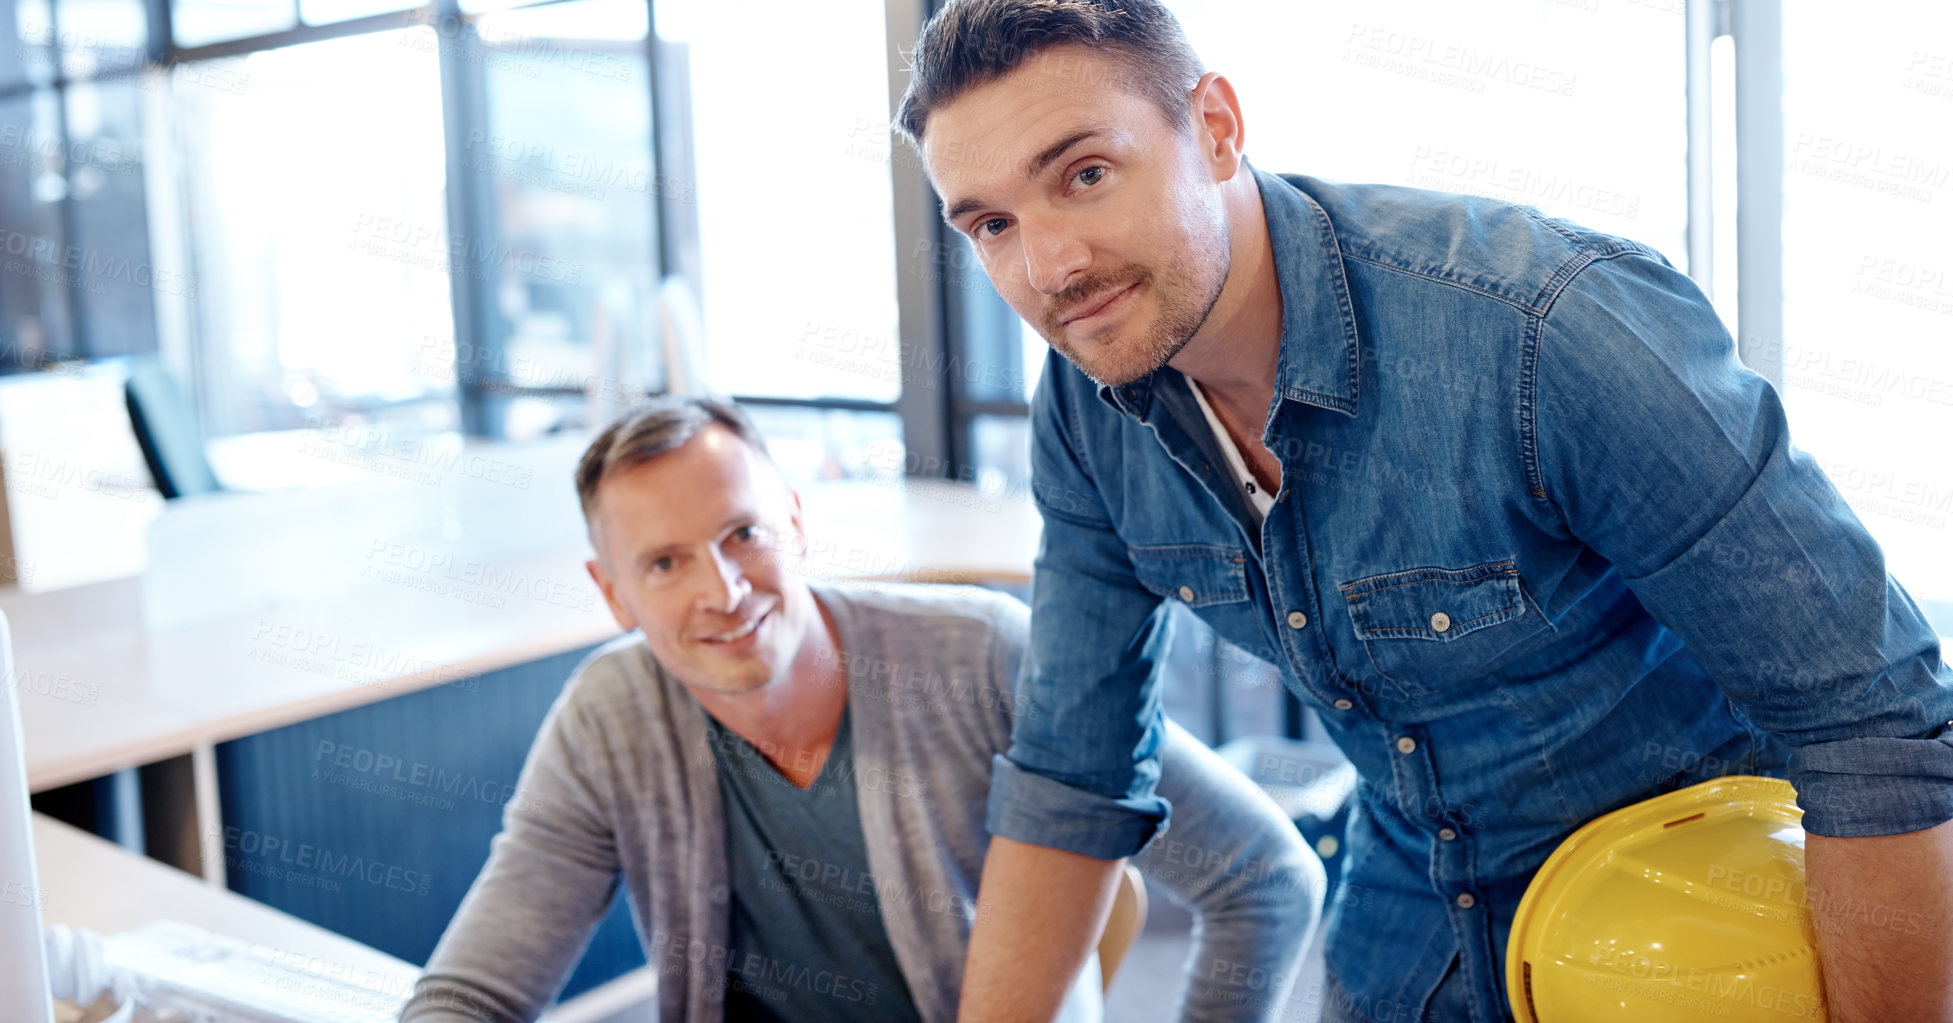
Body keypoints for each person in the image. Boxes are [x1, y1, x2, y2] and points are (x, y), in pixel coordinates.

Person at [893, 2, 1953, 1021]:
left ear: (1215, 128)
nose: (1050, 269)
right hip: (1407, 925)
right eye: (991, 224)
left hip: (1696, 928)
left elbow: (1877, 722)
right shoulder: (1088, 411)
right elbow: (1070, 777)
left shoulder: (1548, 331)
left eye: (1084, 174)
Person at [398, 396, 1323, 1022]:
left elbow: (1265, 875)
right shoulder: (611, 712)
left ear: (795, 524)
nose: (722, 589)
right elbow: (476, 992)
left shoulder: (979, 657)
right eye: (666, 563)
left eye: (743, 534)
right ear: (614, 595)